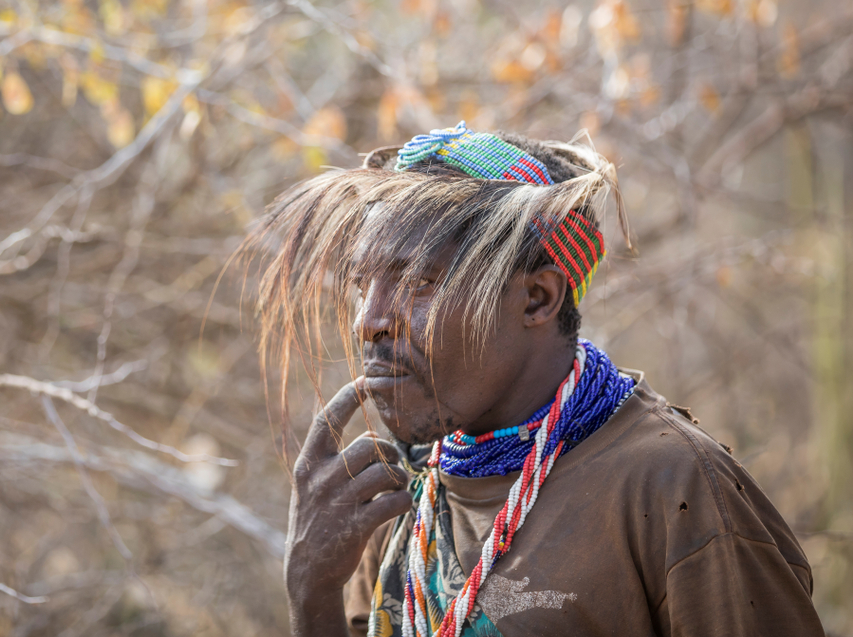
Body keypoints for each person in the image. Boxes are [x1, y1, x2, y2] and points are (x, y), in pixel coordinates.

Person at [249, 122, 825, 637]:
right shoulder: (404, 497)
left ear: (536, 298)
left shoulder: (673, 490)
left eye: (418, 283)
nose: (369, 320)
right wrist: (312, 591)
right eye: (361, 284)